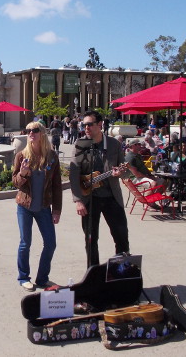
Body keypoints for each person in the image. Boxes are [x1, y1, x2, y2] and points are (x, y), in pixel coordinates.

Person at [69, 111, 129, 268]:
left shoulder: (114, 144)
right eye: (84, 125)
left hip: (111, 197)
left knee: (121, 236)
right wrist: (78, 200)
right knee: (90, 239)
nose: (86, 128)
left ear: (100, 125)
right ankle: (93, 273)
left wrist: (120, 172)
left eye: (90, 124)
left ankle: (120, 270)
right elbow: (74, 173)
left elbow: (124, 170)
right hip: (90, 198)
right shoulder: (81, 144)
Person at [12, 122, 62, 291]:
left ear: (42, 133)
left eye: (34, 130)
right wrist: (23, 174)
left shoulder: (52, 157)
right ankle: (24, 277)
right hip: (24, 206)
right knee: (25, 243)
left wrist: (57, 210)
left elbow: (56, 185)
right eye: (28, 131)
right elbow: (15, 183)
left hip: (43, 207)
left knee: (50, 243)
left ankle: (42, 278)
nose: (30, 133)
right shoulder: (22, 156)